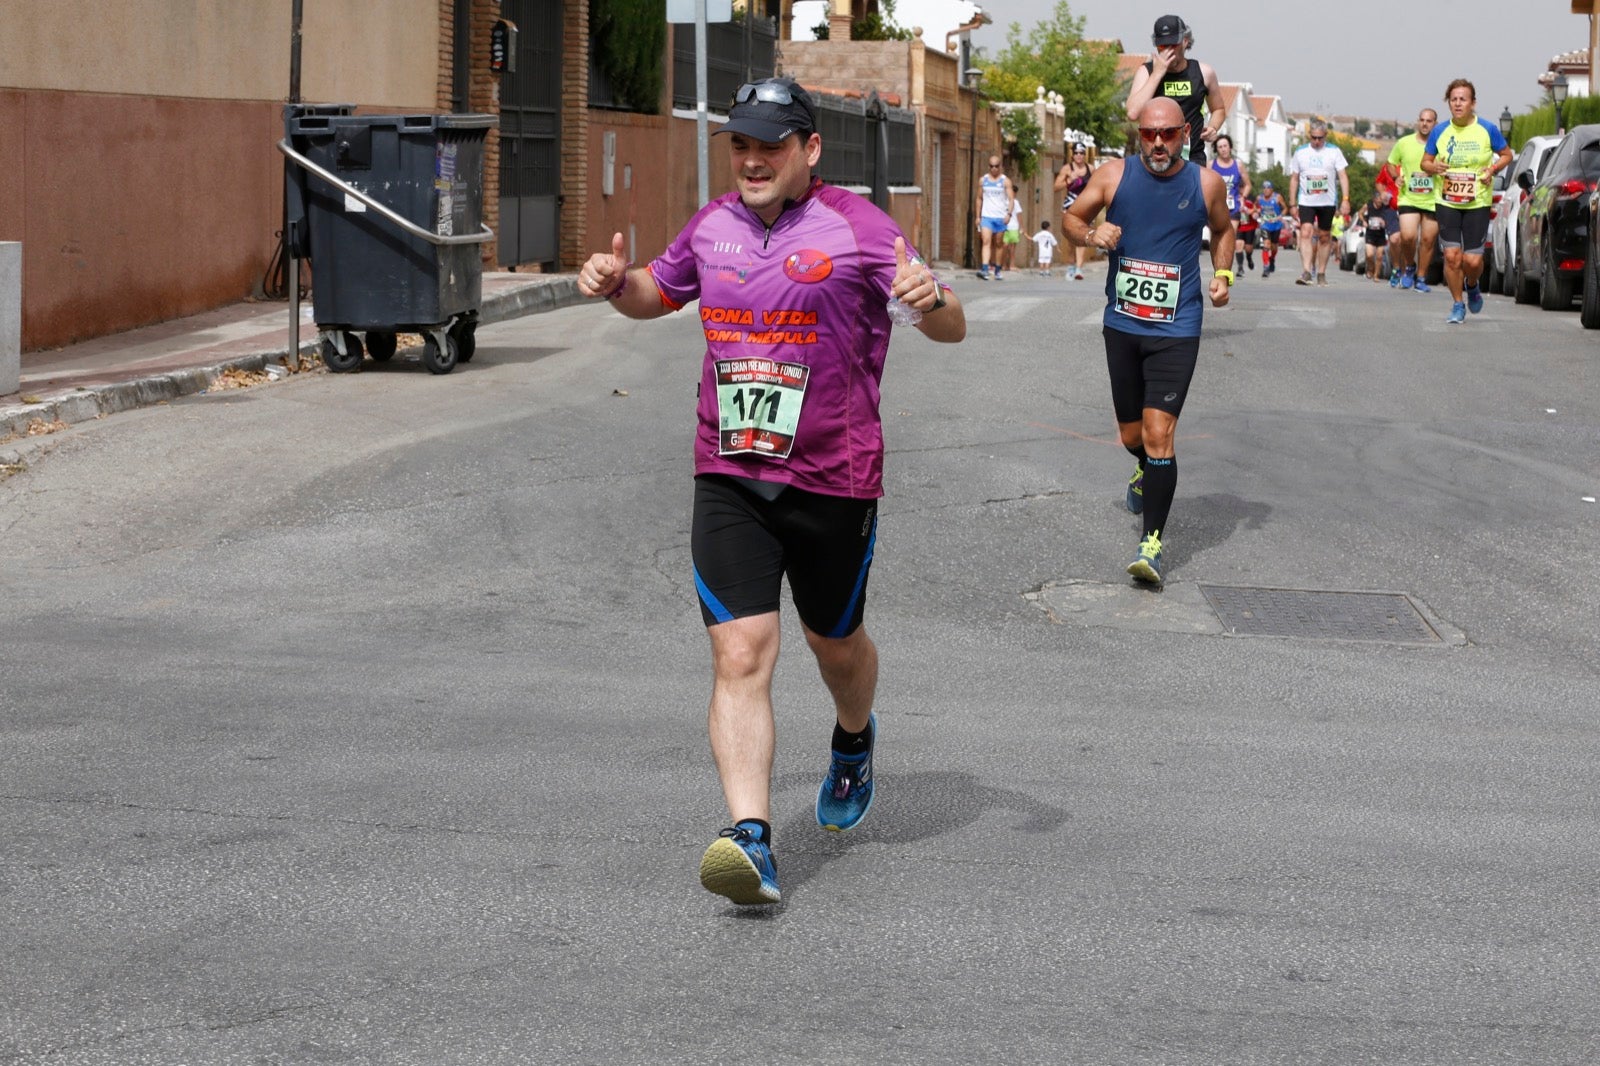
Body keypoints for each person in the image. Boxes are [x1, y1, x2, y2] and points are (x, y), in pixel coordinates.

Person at [575, 77, 967, 907]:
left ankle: (853, 741)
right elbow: (659, 292)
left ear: (810, 150)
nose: (752, 160)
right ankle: (749, 837)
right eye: (741, 145)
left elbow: (947, 321)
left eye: (771, 145)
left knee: (837, 646)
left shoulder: (862, 230)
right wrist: (617, 282)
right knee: (741, 652)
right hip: (730, 473)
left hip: (833, 479)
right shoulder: (712, 224)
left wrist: (932, 302)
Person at [1063, 96, 1234, 587]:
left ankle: (1151, 544)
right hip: (1123, 324)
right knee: (1132, 436)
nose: (1158, 143)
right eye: (1148, 134)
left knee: (1160, 434)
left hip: (1177, 327)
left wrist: (1222, 273)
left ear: (1185, 133)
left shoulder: (1205, 183)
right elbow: (1072, 220)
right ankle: (1144, 469)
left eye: (1168, 134)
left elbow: (1224, 230)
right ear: (1137, 133)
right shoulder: (1113, 176)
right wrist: (1093, 234)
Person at [1421, 79, 1512, 324]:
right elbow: (1425, 163)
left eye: (1463, 99)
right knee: (1452, 257)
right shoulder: (1440, 130)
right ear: (1448, 103)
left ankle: (1472, 285)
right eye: (1454, 99)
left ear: (1473, 103)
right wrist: (1434, 166)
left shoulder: (1487, 129)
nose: (1458, 103)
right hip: (1447, 200)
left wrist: (1492, 170)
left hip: (1477, 201)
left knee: (1472, 261)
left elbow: (1507, 155)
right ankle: (1458, 304)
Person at [1125, 15, 1227, 165]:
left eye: (1172, 45)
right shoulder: (1147, 72)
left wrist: (1213, 127)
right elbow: (1133, 113)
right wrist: (1158, 73)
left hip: (1191, 159)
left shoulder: (1204, 72)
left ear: (1185, 42)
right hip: (1156, 160)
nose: (1167, 52)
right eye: (1162, 46)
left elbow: (1218, 109)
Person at [1287, 119, 1350, 286]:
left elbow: (1343, 176)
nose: (1316, 141)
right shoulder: (1300, 152)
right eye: (1313, 138)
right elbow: (1294, 179)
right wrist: (1292, 203)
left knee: (1324, 236)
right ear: (1309, 135)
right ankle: (1307, 271)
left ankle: (1321, 272)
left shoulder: (1334, 152)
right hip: (1306, 200)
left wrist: (1345, 199)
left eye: (1320, 138)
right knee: (1306, 232)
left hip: (1327, 200)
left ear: (1325, 136)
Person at [1384, 108, 1441, 292]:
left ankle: (1422, 277)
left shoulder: (1441, 144)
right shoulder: (1404, 142)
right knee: (1408, 237)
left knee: (1427, 240)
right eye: (1422, 120)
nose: (1425, 123)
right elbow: (1391, 163)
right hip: (1409, 196)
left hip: (1433, 198)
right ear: (1418, 121)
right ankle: (1409, 266)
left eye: (1429, 121)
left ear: (1435, 123)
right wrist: (1395, 178)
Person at [1207, 134, 1251, 274]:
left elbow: (1248, 185)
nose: (1223, 149)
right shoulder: (1211, 165)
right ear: (1217, 150)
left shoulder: (1238, 164)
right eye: (1220, 147)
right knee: (1216, 235)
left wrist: (1242, 197)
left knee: (1230, 234)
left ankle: (1230, 267)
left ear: (1230, 147)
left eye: (1225, 146)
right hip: (1216, 207)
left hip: (1233, 207)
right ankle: (1218, 264)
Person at [1054, 144, 1094, 279]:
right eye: (1076, 152)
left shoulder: (1091, 169)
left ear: (1084, 154)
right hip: (1070, 204)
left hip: (1086, 205)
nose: (1079, 155)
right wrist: (1069, 180)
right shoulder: (1067, 168)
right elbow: (1055, 187)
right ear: (1072, 154)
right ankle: (1071, 264)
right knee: (1071, 238)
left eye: (1081, 153)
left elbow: (1098, 186)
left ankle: (1078, 269)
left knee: (1083, 236)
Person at [976, 155, 1016, 279]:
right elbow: (979, 198)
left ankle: (998, 269)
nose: (994, 169)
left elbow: (1011, 199)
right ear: (988, 166)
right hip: (987, 216)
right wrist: (978, 216)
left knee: (999, 243)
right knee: (986, 241)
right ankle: (985, 269)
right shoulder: (983, 180)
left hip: (1000, 217)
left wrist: (1009, 214)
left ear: (1000, 167)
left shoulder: (1005, 181)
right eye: (991, 166)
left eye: (996, 166)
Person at [1256, 179, 1288, 277]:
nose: (1266, 190)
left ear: (1272, 190)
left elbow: (1286, 208)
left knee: (1274, 247)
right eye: (1264, 188)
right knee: (1266, 244)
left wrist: (1280, 216)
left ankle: (1272, 258)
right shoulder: (1259, 198)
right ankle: (1266, 267)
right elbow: (1255, 208)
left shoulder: (1277, 197)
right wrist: (1256, 212)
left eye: (1268, 188)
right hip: (1265, 224)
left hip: (1276, 225)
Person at [1236, 193, 1260, 274]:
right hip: (1239, 227)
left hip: (1250, 227)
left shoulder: (1251, 200)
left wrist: (1251, 212)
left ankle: (1249, 258)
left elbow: (1256, 212)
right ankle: (1240, 267)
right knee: (1239, 245)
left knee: (1248, 248)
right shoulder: (1234, 201)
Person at [1001, 197, 1023, 275]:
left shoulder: (1015, 202)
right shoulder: (1002, 200)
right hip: (1005, 226)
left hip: (1013, 226)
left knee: (1012, 247)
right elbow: (1019, 214)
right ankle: (1003, 264)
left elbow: (1018, 214)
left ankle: (1011, 265)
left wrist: (1021, 226)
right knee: (1005, 246)